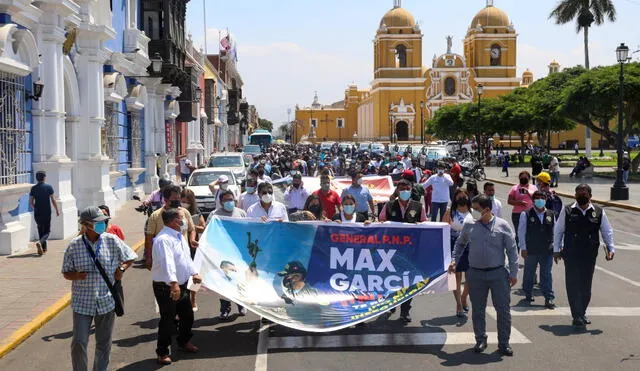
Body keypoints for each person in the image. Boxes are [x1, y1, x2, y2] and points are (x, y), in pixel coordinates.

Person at [62, 206, 137, 371]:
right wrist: (76, 275)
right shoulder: (74, 246)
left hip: (106, 301)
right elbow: (66, 272)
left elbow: (131, 256)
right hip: (82, 302)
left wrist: (121, 269)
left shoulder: (111, 240)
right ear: (87, 225)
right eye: (98, 222)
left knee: (104, 343)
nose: (103, 224)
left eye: (103, 221)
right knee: (79, 342)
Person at [449, 195, 518, 357]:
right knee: (478, 310)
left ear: (487, 210)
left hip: (498, 273)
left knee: (503, 310)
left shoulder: (503, 225)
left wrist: (514, 273)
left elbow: (512, 251)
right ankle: (480, 339)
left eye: (477, 209)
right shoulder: (469, 225)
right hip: (475, 274)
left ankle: (504, 343)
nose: (473, 212)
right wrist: (454, 260)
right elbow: (460, 244)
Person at [553, 184, 615, 329]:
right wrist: (556, 249)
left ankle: (582, 312)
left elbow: (607, 231)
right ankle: (577, 315)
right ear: (575, 195)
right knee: (573, 284)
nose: (581, 194)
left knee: (586, 286)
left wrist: (610, 248)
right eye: (578, 192)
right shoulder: (567, 210)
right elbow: (558, 230)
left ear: (590, 196)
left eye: (584, 192)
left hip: (589, 254)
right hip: (571, 253)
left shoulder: (598, 212)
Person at [152, 208, 203, 365]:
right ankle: (162, 352)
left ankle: (183, 341)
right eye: (182, 218)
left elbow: (185, 259)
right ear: (174, 221)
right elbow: (168, 263)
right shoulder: (163, 240)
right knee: (168, 320)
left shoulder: (179, 236)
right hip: (166, 287)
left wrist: (194, 273)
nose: (185, 220)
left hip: (181, 285)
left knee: (187, 315)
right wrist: (174, 284)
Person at [379, 179, 427, 323]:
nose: (404, 191)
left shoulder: (418, 206)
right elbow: (380, 222)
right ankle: (391, 305)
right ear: (397, 190)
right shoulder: (388, 206)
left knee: (408, 280)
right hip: (391, 252)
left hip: (411, 251)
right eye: (401, 188)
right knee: (390, 280)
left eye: (407, 188)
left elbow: (425, 225)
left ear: (411, 189)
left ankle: (405, 311)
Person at [208, 190, 248, 319]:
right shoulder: (214, 215)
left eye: (231, 199)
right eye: (226, 200)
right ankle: (225, 308)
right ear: (220, 202)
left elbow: (248, 230)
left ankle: (241, 304)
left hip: (238, 254)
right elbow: (208, 233)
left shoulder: (241, 213)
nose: (229, 202)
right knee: (224, 282)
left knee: (239, 279)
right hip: (222, 255)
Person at [145, 185, 197, 269]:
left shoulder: (185, 212)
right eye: (174, 200)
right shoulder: (155, 216)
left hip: (182, 256)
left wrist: (192, 239)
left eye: (178, 199)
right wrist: (149, 257)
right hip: (163, 257)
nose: (177, 202)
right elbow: (149, 237)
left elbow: (192, 229)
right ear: (165, 200)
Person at [519, 191, 556, 308]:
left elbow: (556, 232)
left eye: (542, 197)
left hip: (547, 250)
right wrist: (523, 248)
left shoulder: (551, 214)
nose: (540, 200)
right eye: (537, 198)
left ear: (546, 199)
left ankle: (549, 297)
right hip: (531, 249)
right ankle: (528, 293)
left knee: (546, 274)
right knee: (529, 273)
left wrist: (557, 248)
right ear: (533, 200)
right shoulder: (526, 214)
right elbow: (521, 232)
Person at [442, 189, 473, 317]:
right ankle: (458, 304)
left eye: (464, 195)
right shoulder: (450, 212)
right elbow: (442, 228)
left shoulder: (473, 212)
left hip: (470, 246)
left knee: (471, 276)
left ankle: (464, 297)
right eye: (458, 195)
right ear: (455, 198)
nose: (461, 197)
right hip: (453, 245)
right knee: (455, 277)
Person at [180, 188, 206, 311]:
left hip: (193, 247)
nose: (184, 204)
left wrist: (192, 225)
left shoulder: (196, 211)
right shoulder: (176, 212)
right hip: (180, 247)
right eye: (182, 201)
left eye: (187, 202)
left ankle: (193, 298)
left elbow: (203, 227)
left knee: (195, 274)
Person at [30, 170, 60, 255]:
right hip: (46, 212)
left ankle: (44, 249)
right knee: (47, 231)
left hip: (37, 212)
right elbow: (53, 199)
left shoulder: (33, 188)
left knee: (40, 229)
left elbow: (31, 201)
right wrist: (57, 209)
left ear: (37, 178)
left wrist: (35, 208)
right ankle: (40, 242)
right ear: (44, 178)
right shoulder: (48, 187)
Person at [507, 171, 536, 251]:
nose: (523, 179)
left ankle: (530, 253)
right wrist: (519, 203)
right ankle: (515, 254)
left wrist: (528, 193)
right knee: (519, 234)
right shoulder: (514, 188)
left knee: (531, 234)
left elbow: (537, 199)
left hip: (531, 214)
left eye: (525, 177)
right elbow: (509, 201)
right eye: (521, 177)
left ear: (529, 178)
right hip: (517, 214)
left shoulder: (534, 187)